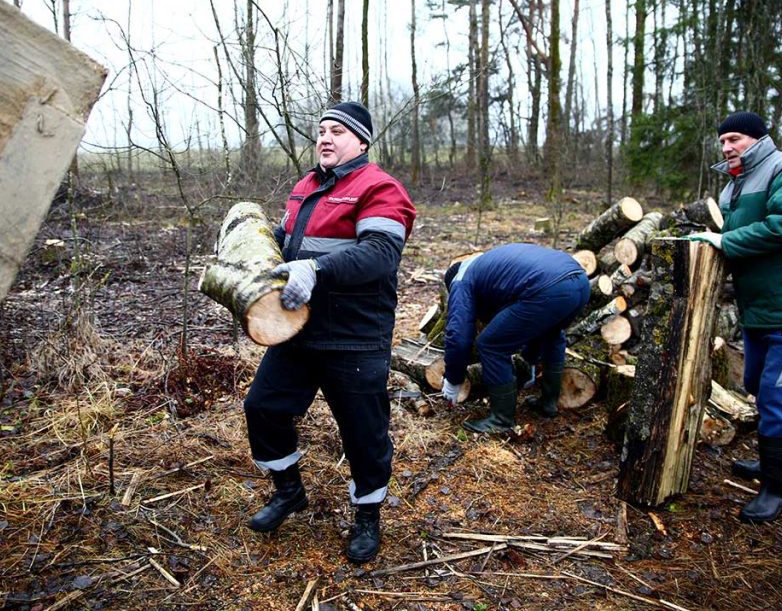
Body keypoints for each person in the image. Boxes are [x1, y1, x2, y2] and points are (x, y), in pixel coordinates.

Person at [242, 101, 416, 563]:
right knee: (262, 407)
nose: (325, 138)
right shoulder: (305, 187)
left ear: (361, 141)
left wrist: (316, 268)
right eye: (321, 130)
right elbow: (288, 242)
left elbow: (380, 254)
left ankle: (367, 517)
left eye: (337, 131)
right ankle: (288, 491)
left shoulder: (380, 189)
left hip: (355, 336)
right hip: (298, 328)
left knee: (364, 434)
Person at [687, 111, 782, 523]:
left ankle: (774, 488)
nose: (726, 147)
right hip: (761, 306)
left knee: (777, 393)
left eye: (734, 138)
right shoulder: (733, 186)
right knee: (754, 382)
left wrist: (724, 240)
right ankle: (769, 460)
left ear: (757, 138)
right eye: (721, 141)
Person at [440, 243, 590, 432]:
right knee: (552, 334)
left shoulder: (460, 280)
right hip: (581, 282)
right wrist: (530, 360)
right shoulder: (491, 267)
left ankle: (501, 420)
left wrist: (453, 379)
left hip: (549, 287)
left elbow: (458, 336)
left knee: (491, 344)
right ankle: (548, 403)